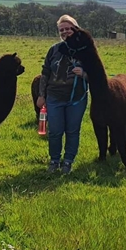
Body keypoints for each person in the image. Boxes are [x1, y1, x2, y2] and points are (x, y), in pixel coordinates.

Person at [35, 15, 88, 175]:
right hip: (54, 97)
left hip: (77, 98)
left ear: (75, 29)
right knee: (55, 131)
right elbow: (45, 73)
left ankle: (68, 161)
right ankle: (54, 160)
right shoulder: (54, 49)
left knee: (72, 131)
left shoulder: (85, 50)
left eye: (68, 28)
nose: (65, 32)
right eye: (62, 29)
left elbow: (97, 73)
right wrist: (41, 95)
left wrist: (84, 74)